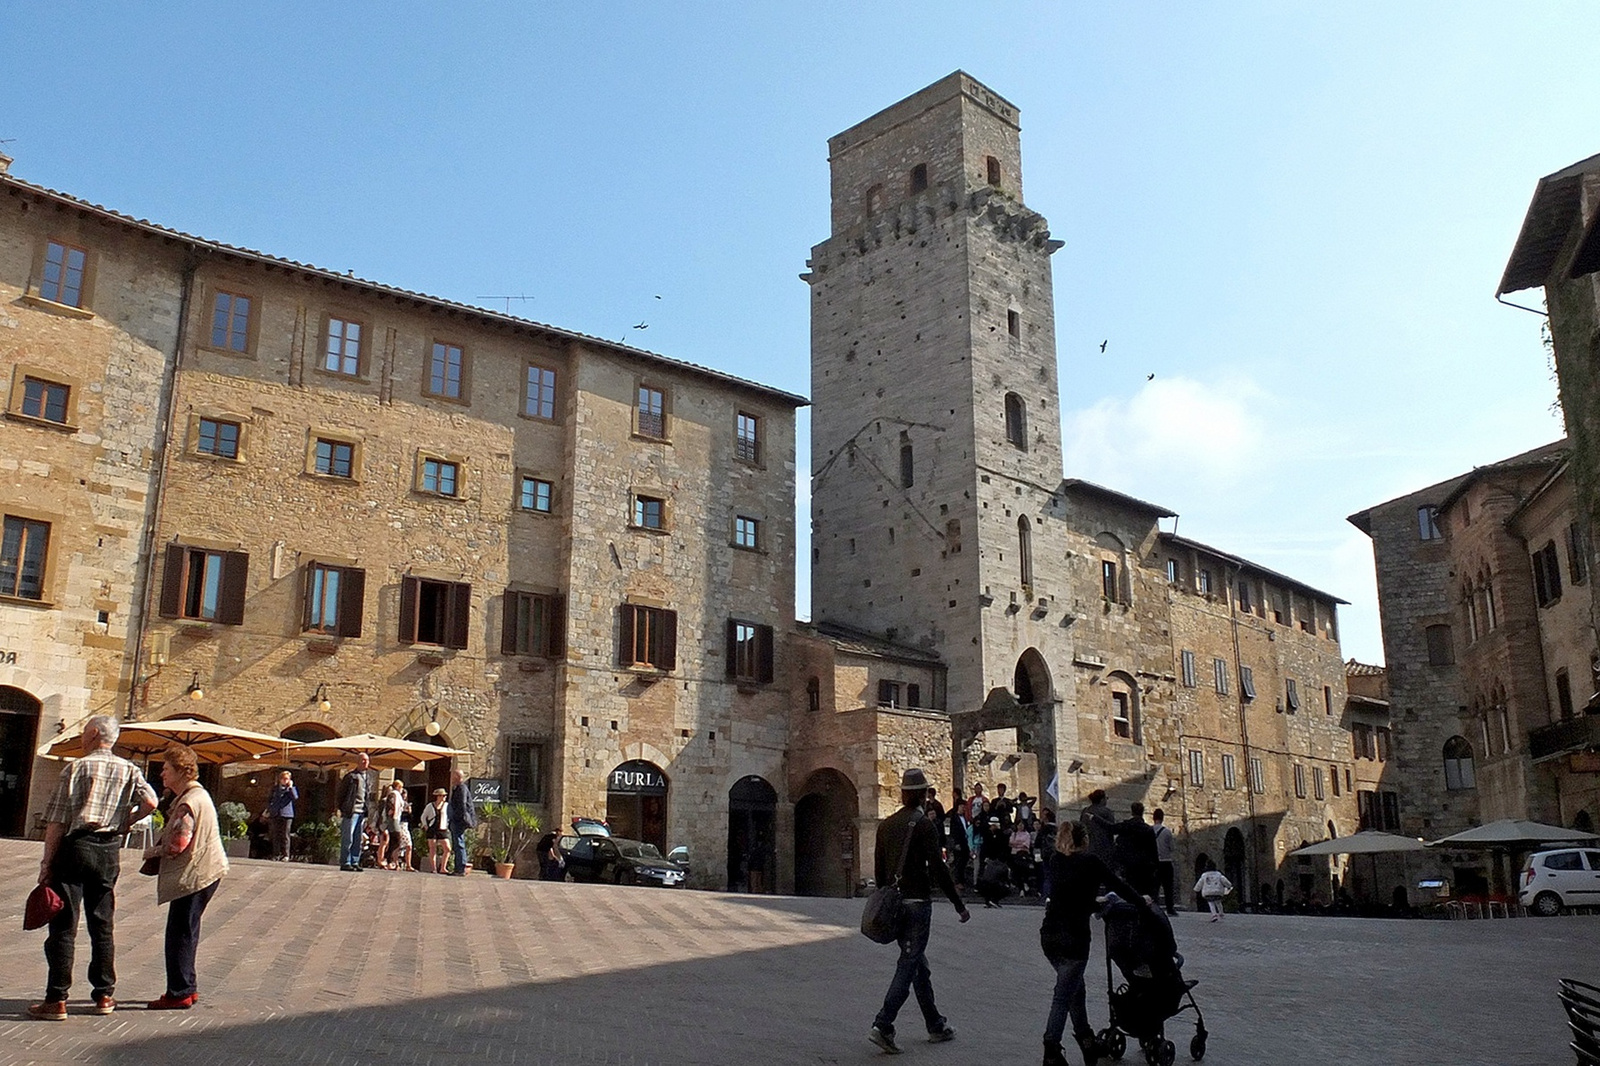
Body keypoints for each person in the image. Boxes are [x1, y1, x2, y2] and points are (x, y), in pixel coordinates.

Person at [30, 715, 158, 1020]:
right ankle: (104, 995)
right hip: (108, 849)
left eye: (86, 731)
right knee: (102, 924)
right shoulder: (129, 769)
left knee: (64, 925)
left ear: (95, 734)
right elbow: (152, 801)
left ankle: (56, 998)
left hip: (76, 846)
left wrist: (47, 863)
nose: (83, 736)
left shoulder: (76, 767)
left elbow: (57, 821)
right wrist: (124, 822)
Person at [868, 767, 970, 1055]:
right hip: (917, 905)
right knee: (909, 964)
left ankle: (935, 1025)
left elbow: (879, 873)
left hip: (896, 905)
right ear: (924, 795)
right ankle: (883, 1025)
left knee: (917, 965)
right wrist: (958, 904)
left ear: (902, 794)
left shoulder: (885, 826)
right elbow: (938, 868)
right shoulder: (924, 825)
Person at [1038, 821, 1138, 1066]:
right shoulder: (1091, 862)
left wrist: (1093, 905)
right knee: (1063, 996)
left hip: (1050, 936)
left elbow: (1069, 897)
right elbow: (1118, 885)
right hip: (1074, 939)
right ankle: (1051, 1049)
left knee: (1075, 989)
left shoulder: (1055, 861)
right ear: (1084, 840)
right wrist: (1141, 903)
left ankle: (1086, 1040)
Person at [144, 743, 228, 1011]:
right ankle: (188, 987)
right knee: (188, 930)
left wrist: (151, 851)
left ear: (181, 771)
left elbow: (178, 844)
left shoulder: (189, 801)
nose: (162, 774)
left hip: (195, 874)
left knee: (179, 932)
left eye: (166, 768)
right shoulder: (196, 796)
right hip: (207, 871)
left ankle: (178, 992)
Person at [1112, 802, 1158, 896]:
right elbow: (1153, 850)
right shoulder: (1148, 829)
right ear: (1142, 812)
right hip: (1144, 866)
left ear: (1132, 812)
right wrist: (1155, 866)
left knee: (1130, 892)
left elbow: (1110, 828)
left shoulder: (1126, 826)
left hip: (1129, 865)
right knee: (1143, 892)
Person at [338, 753, 372, 871]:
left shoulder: (368, 777)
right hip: (351, 811)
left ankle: (355, 861)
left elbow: (367, 796)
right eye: (362, 760)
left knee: (357, 839)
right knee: (348, 838)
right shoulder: (351, 776)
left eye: (367, 760)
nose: (365, 762)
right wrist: (343, 808)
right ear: (358, 761)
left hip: (361, 812)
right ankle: (346, 862)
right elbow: (341, 793)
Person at [263, 771, 298, 862]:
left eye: (287, 779)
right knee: (275, 834)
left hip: (287, 814)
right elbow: (269, 799)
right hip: (276, 813)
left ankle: (286, 854)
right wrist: (270, 809)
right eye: (284, 779)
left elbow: (295, 797)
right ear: (280, 779)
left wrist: (290, 787)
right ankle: (276, 854)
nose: (285, 781)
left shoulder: (291, 789)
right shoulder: (275, 789)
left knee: (285, 835)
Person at [447, 769, 476, 875]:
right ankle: (458, 868)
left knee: (459, 844)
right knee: (457, 843)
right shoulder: (458, 788)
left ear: (457, 777)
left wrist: (458, 818)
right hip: (457, 820)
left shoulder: (461, 788)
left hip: (459, 821)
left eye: (453, 776)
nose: (452, 778)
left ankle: (460, 868)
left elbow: (462, 805)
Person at [1078, 789, 1116, 863]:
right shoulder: (1107, 812)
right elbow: (1112, 828)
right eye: (1106, 798)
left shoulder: (1085, 811)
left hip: (1087, 848)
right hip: (1104, 848)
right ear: (1102, 800)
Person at [1151, 809, 1176, 915]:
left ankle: (1154, 908)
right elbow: (1172, 847)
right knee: (1168, 887)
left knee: (1154, 887)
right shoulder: (1167, 832)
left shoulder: (1149, 830)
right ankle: (1170, 908)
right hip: (1166, 861)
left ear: (1153, 818)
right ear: (1162, 818)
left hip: (1154, 863)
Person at [420, 788, 451, 873]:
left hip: (442, 829)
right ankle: (433, 868)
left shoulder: (447, 805)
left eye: (445, 795)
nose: (445, 797)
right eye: (443, 795)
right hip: (432, 828)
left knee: (447, 848)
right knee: (432, 848)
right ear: (438, 796)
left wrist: (448, 825)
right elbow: (423, 816)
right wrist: (425, 825)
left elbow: (449, 817)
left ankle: (443, 868)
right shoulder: (430, 805)